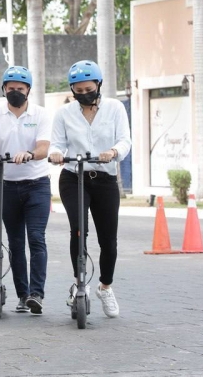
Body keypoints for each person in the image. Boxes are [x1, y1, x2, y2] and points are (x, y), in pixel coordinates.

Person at [48, 60, 131, 318]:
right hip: (74, 177)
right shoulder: (64, 114)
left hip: (105, 179)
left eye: (88, 88)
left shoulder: (115, 108)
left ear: (99, 85)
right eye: (79, 90)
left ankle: (105, 287)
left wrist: (113, 152)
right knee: (78, 231)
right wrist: (55, 154)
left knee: (109, 240)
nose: (85, 94)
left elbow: (125, 140)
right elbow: (56, 144)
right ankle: (79, 282)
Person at [0, 66, 53, 314]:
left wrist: (29, 154)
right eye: (11, 88)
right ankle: (22, 294)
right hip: (7, 185)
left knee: (36, 238)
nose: (15, 92)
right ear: (4, 89)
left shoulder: (41, 114)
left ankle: (37, 294)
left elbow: (43, 148)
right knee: (15, 242)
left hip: (37, 184)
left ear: (28, 90)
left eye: (20, 88)